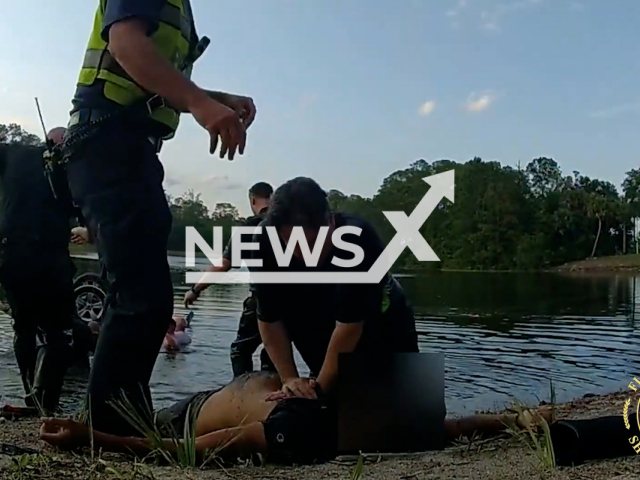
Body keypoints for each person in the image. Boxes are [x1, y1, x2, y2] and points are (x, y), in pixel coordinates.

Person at [61, 0, 258, 435]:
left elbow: (150, 78)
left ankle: (119, 417)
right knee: (141, 295)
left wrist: (211, 98)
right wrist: (201, 105)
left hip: (129, 149)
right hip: (106, 143)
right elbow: (126, 43)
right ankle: (111, 426)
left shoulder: (178, 7)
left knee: (146, 295)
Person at [39, 370, 552, 463]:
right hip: (229, 389)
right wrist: (520, 419)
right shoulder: (346, 407)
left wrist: (94, 439)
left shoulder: (285, 429)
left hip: (188, 415)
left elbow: (180, 451)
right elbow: (457, 428)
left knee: (143, 417)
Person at [248, 177, 419, 400]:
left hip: (383, 321)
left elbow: (350, 328)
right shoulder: (263, 240)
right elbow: (268, 318)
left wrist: (317, 394)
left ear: (330, 221)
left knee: (410, 417)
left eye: (313, 245)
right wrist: (290, 380)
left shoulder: (359, 239)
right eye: (295, 247)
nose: (308, 257)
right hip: (313, 314)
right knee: (328, 405)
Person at [0, 129, 78, 413]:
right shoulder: (73, 164)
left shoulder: (13, 153)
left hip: (12, 253)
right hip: (50, 256)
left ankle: (30, 395)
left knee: (23, 327)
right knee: (58, 332)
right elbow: (83, 207)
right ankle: (43, 403)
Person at [185, 182, 275, 377]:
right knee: (275, 352)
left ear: (252, 200)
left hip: (263, 299)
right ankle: (275, 395)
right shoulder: (290, 222)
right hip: (295, 299)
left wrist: (196, 289)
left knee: (240, 351)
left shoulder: (251, 226)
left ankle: (241, 398)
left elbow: (223, 265)